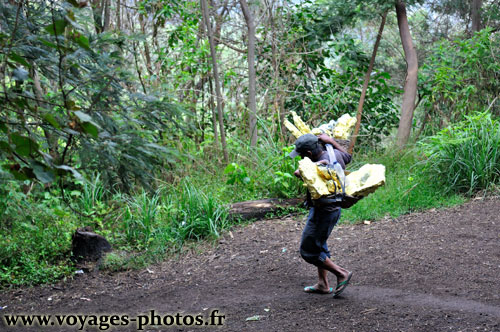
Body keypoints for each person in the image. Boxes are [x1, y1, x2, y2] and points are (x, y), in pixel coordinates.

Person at [289, 133, 353, 297]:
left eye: (302, 155)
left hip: (323, 212)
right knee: (320, 244)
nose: (302, 158)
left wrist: (307, 168)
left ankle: (341, 273)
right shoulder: (335, 154)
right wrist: (331, 141)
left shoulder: (320, 165)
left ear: (309, 154)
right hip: (333, 209)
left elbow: (299, 172)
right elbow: (348, 156)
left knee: (308, 251)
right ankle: (322, 284)